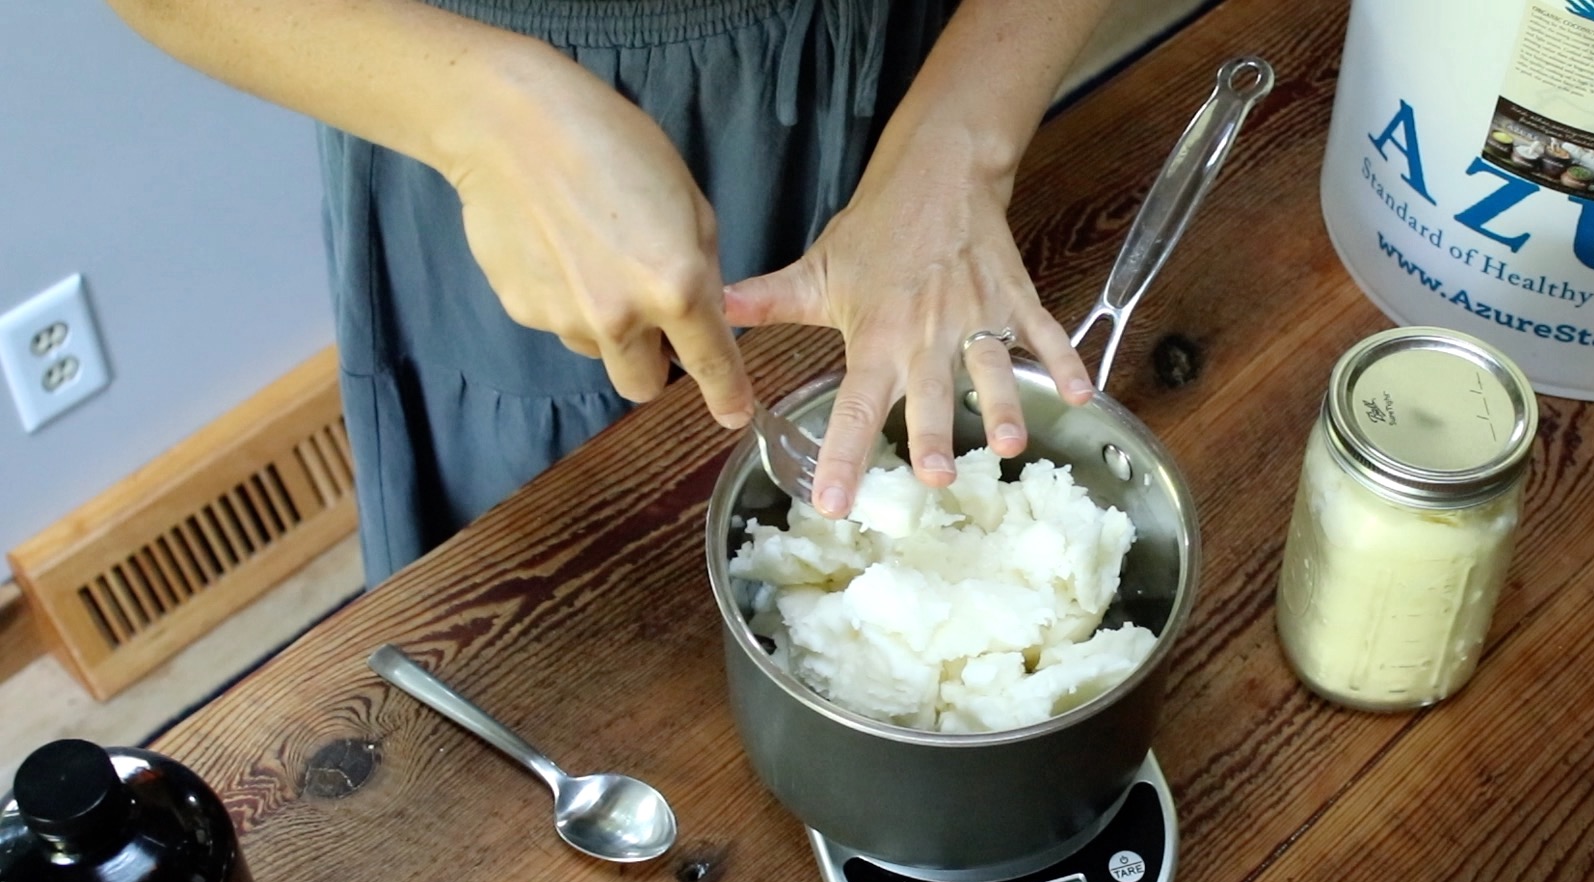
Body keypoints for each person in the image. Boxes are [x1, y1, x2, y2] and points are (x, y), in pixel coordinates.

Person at [104, 0, 1110, 584]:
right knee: (572, 596)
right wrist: (482, 118)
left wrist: (964, 140)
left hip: (936, 66)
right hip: (504, 146)